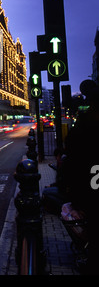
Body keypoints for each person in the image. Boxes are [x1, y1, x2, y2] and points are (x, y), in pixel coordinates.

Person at [63, 79, 99, 274]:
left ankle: (93, 261)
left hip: (91, 176)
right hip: (91, 174)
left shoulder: (87, 121)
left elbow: (73, 147)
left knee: (93, 217)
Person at [42, 147, 68, 215]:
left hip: (65, 192)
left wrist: (52, 185)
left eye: (56, 157)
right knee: (47, 191)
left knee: (46, 191)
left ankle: (62, 207)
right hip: (65, 189)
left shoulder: (64, 163)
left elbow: (62, 182)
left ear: (59, 156)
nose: (56, 159)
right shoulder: (65, 162)